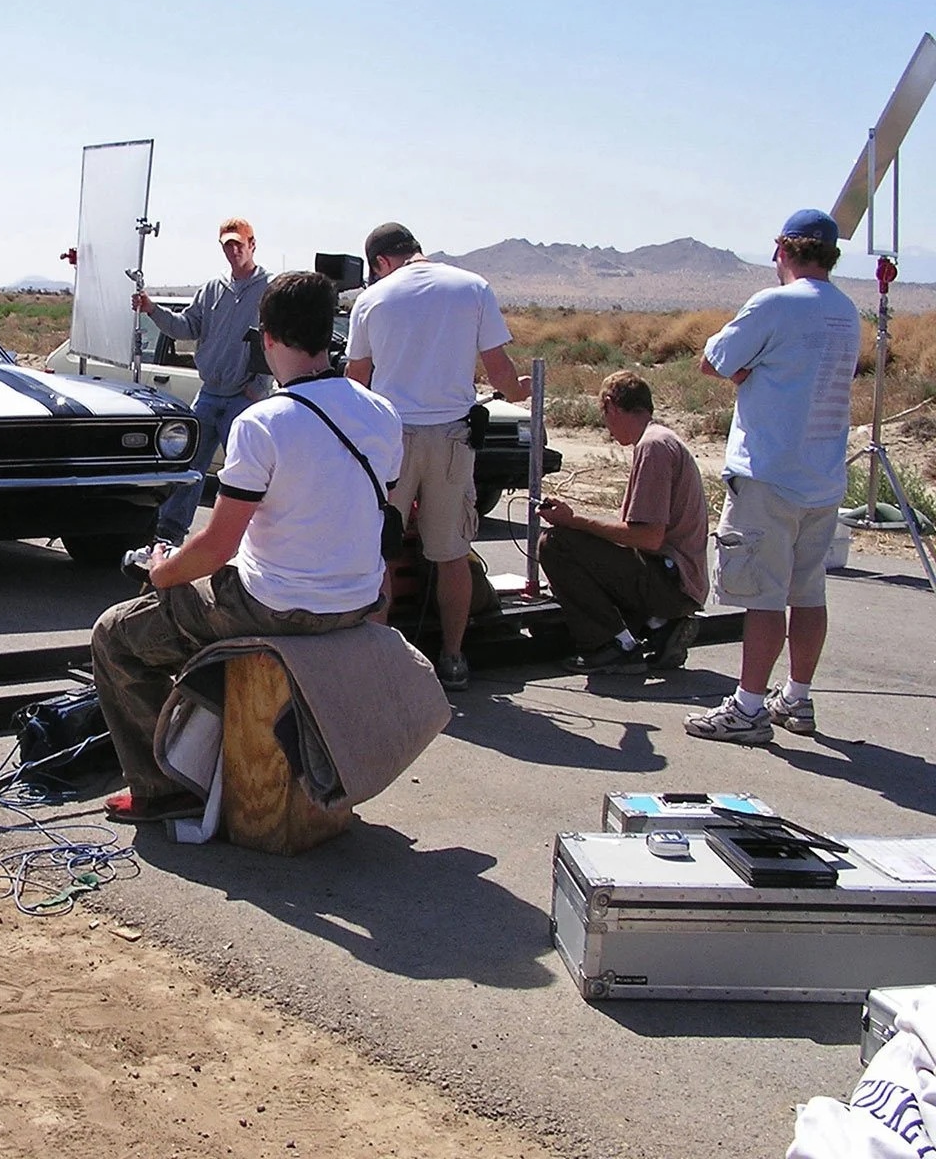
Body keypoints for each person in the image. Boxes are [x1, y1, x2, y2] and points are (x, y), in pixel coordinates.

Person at [93, 271, 403, 822]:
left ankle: (163, 787)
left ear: (266, 337)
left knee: (117, 635)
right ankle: (211, 754)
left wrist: (161, 573)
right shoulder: (380, 412)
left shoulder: (263, 422)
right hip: (356, 601)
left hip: (275, 606)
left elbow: (216, 546)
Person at [684, 209, 860, 744]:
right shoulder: (847, 311)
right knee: (808, 593)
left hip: (769, 471)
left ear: (782, 248)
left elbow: (715, 359)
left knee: (762, 595)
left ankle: (749, 706)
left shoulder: (774, 303)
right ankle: (797, 697)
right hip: (821, 473)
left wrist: (747, 370)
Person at [344, 222, 530, 690]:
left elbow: (356, 380)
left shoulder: (373, 299)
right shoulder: (472, 288)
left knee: (381, 551)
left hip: (392, 438)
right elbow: (502, 373)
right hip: (452, 439)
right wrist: (519, 389)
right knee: (451, 554)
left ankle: (380, 660)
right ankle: (452, 657)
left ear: (381, 262)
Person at [536, 371, 709, 674]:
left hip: (672, 582)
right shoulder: (662, 439)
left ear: (611, 406)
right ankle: (658, 627)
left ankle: (610, 645)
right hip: (677, 579)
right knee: (585, 543)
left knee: (556, 544)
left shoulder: (653, 447)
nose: (608, 429)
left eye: (606, 418)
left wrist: (574, 521)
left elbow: (648, 537)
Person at [135, 216, 272, 543]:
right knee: (189, 469)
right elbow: (186, 327)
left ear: (252, 245)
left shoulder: (270, 289)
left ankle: (259, 543)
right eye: (228, 245)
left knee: (247, 475)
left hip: (244, 396)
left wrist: (258, 387)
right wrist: (151, 309)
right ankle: (169, 536)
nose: (234, 250)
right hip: (210, 394)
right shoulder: (212, 288)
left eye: (239, 244)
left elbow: (277, 338)